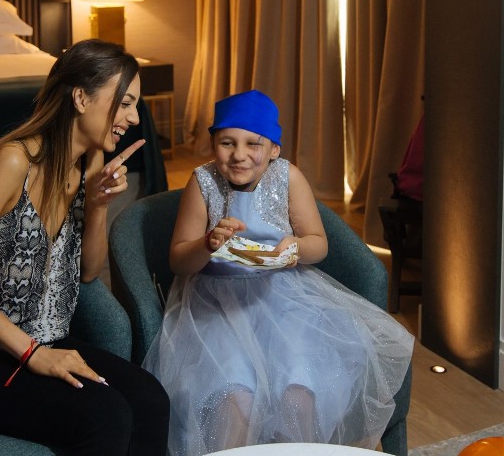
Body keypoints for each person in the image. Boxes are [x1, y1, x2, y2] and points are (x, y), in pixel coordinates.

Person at [0, 39, 170, 455]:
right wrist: (33, 354)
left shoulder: (88, 163)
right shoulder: (12, 162)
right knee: (107, 416)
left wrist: (97, 205)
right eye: (125, 103)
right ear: (81, 97)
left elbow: (89, 272)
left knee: (150, 400)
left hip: (46, 339)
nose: (134, 118)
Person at [143, 90, 414, 455]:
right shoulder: (202, 182)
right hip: (217, 304)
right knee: (235, 398)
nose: (239, 154)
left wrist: (296, 248)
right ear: (213, 143)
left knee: (298, 393)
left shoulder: (288, 177)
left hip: (283, 296)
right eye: (227, 142)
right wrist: (207, 243)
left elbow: (318, 243)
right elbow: (179, 261)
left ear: (273, 149)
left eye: (252, 143)